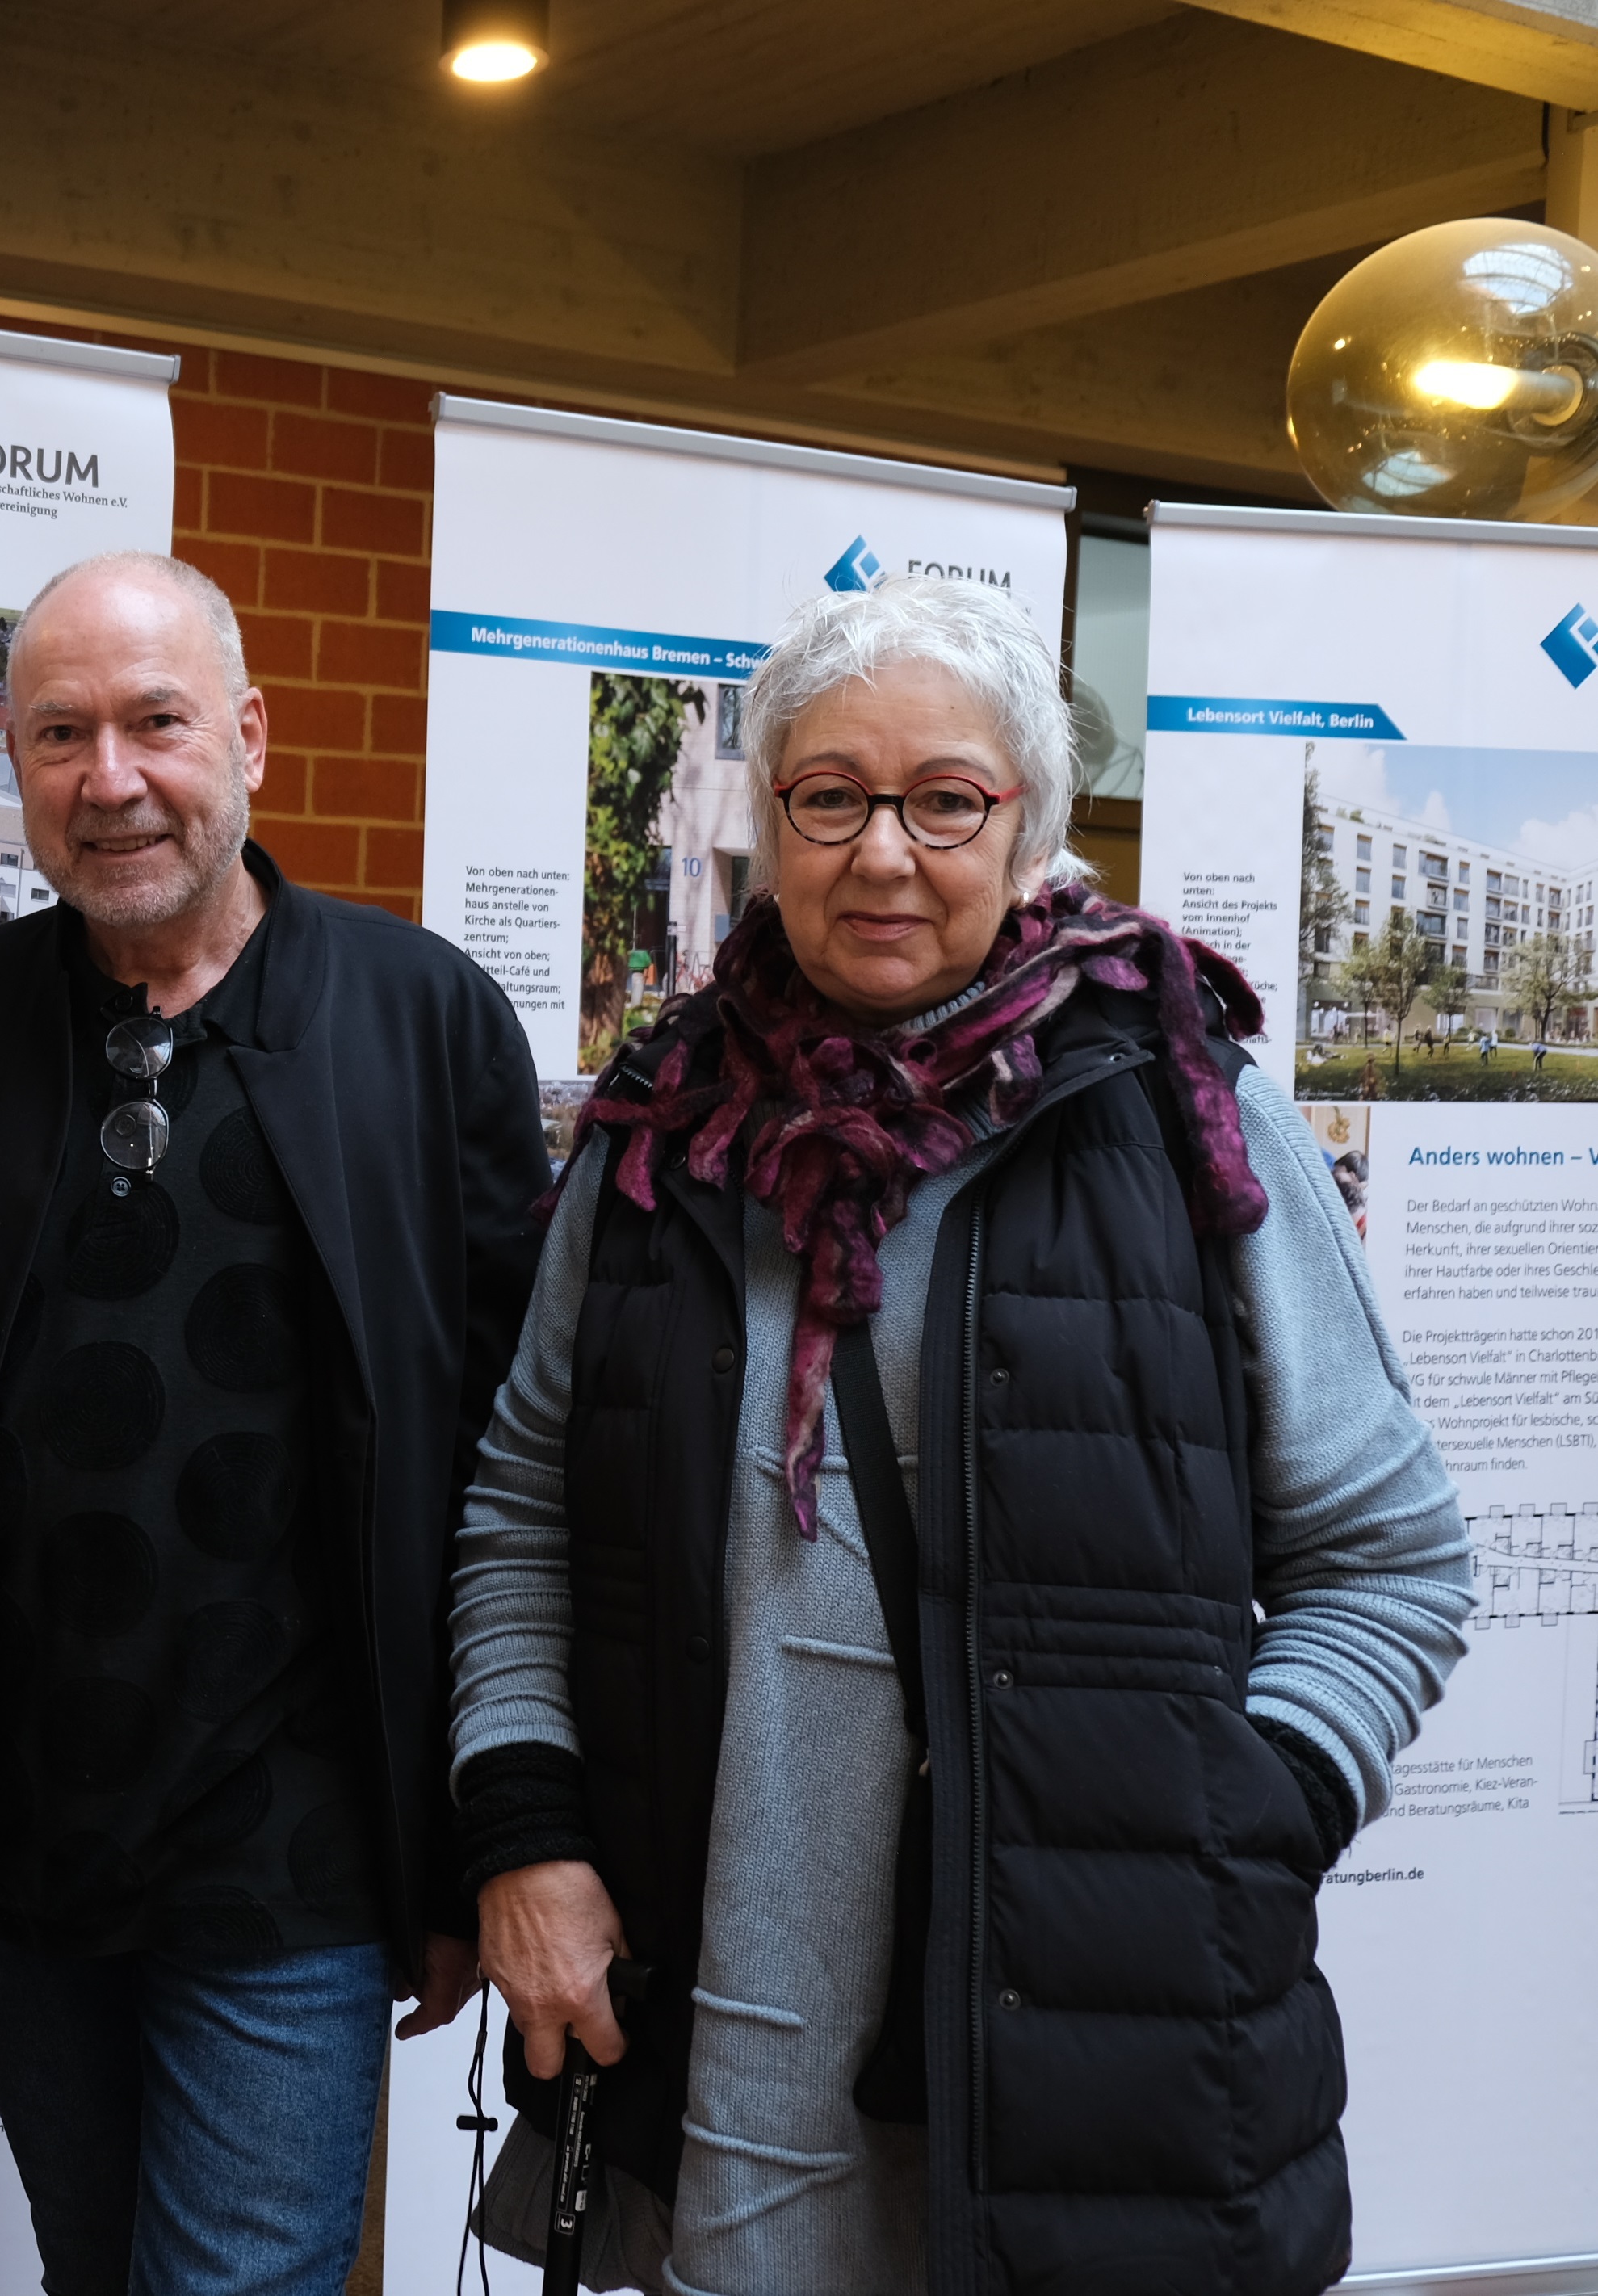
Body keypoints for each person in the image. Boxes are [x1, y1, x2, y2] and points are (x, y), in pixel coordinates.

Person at [450, 577, 1473, 2294]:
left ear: (1027, 832)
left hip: (1102, 2029)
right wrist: (526, 1838)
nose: (880, 854)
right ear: (766, 826)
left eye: (943, 800)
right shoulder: (655, 1144)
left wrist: (1244, 1821)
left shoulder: (1182, 1126)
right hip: (721, 2044)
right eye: (827, 796)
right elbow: (516, 1521)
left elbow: (1388, 1558)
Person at [0, 551, 549, 2292]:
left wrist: (484, 1842)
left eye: (156, 724)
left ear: (245, 732)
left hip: (293, 1848)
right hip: (21, 1843)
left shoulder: (419, 1019)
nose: (112, 781)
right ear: (10, 768)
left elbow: (508, 1460)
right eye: (59, 736)